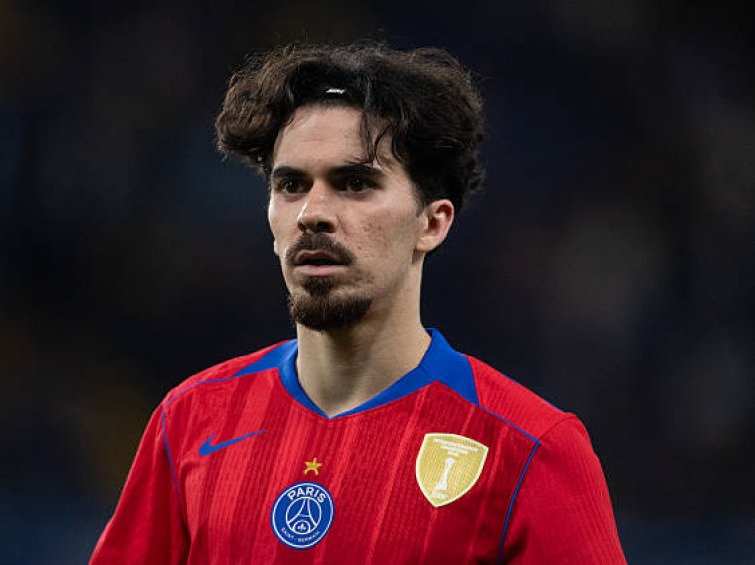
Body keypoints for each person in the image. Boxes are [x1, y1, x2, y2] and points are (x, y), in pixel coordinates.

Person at [91, 42, 626, 564]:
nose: (313, 213)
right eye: (292, 185)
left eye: (354, 183)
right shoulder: (192, 420)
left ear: (432, 223)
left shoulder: (527, 447)